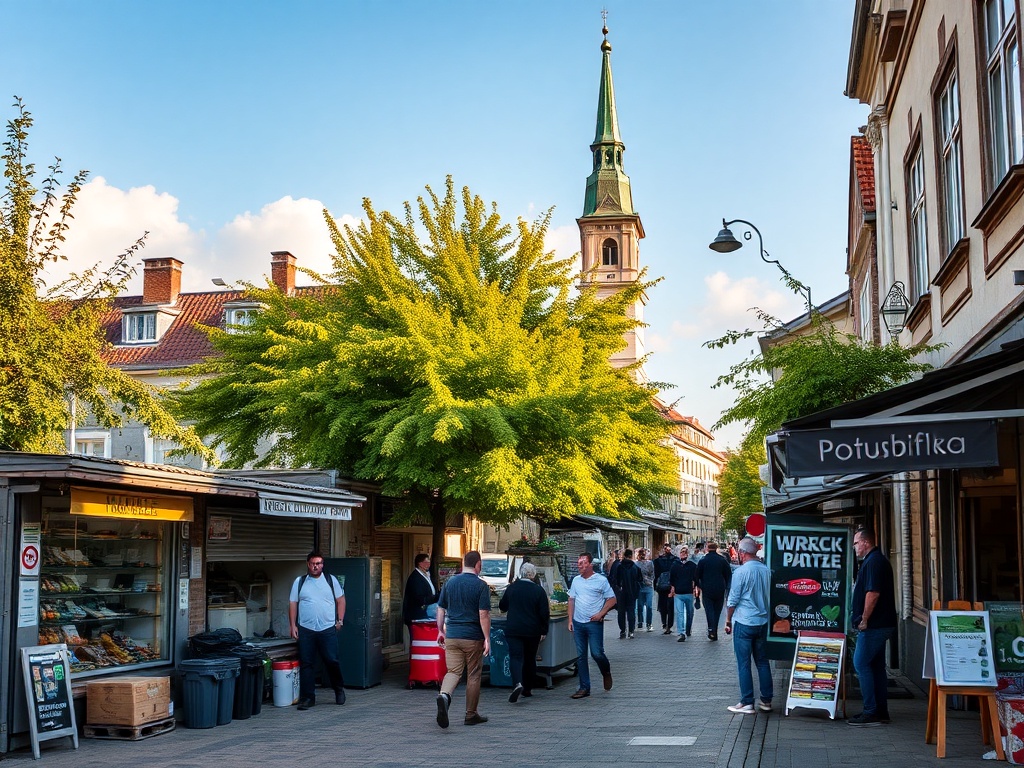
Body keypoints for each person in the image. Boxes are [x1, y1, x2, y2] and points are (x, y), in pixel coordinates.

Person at [435, 550, 491, 728]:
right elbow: (483, 614)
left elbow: (440, 609)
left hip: (452, 635)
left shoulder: (450, 582)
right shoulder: (481, 586)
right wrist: (487, 638)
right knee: (473, 674)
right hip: (472, 637)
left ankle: (444, 696)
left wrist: (440, 631)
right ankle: (471, 714)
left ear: (463, 563)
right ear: (478, 564)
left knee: (453, 672)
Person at [848, 527, 897, 727]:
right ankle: (881, 710)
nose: (854, 547)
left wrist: (864, 619)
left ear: (866, 542)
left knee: (860, 663)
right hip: (881, 623)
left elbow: (873, 593)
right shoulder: (873, 561)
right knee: (876, 666)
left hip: (874, 625)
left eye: (856, 543)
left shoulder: (874, 562)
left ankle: (870, 711)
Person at [289, 551, 347, 710]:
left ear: (322, 565)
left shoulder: (331, 580)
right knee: (307, 663)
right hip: (306, 628)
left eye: (319, 563)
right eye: (313, 563)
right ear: (308, 564)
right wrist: (293, 625)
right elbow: (293, 603)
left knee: (331, 660)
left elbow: (341, 600)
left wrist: (340, 620)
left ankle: (339, 689)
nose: (316, 566)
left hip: (327, 628)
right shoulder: (300, 582)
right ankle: (308, 698)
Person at [724, 537, 772, 715]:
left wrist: (728, 620)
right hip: (762, 622)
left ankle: (747, 702)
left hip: (744, 622)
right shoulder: (766, 571)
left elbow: (733, 600)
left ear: (743, 553)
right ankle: (766, 700)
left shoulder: (740, 572)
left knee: (744, 663)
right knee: (762, 662)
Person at [498, 561, 550, 702]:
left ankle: (517, 683)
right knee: (530, 658)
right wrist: (544, 630)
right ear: (533, 575)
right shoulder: (539, 591)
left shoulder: (512, 588)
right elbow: (544, 613)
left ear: (521, 574)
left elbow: (503, 606)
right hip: (532, 630)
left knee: (515, 657)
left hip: (514, 629)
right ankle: (527, 688)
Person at [567, 552, 616, 699]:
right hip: (578, 622)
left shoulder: (601, 580)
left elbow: (612, 599)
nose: (580, 566)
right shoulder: (576, 581)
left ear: (590, 564)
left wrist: (601, 613)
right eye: (578, 563)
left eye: (583, 563)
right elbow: (571, 600)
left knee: (597, 653)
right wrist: (570, 620)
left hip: (594, 623)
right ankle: (584, 687)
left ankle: (606, 671)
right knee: (581, 656)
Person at [696, 541, 732, 640]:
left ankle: (711, 629)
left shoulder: (703, 560)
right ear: (716, 548)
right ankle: (714, 630)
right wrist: (727, 586)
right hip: (720, 589)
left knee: (709, 610)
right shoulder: (722, 560)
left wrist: (699, 586)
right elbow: (728, 574)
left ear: (707, 548)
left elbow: (697, 575)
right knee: (717, 611)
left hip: (707, 589)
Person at [668, 544, 697, 642]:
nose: (683, 554)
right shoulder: (675, 565)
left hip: (689, 593)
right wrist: (672, 588)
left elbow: (696, 578)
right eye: (681, 552)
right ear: (679, 553)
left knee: (690, 613)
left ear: (688, 554)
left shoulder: (692, 565)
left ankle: (688, 629)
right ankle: (681, 632)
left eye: (685, 552)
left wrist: (696, 588)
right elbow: (671, 578)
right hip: (678, 593)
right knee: (680, 613)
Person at [402, 552, 437, 629]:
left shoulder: (427, 575)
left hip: (426, 613)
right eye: (426, 562)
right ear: (420, 564)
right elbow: (419, 598)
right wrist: (436, 597)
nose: (429, 564)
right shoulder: (415, 578)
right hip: (417, 615)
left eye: (429, 562)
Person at [613, 548, 642, 638]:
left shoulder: (619, 567)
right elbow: (640, 580)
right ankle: (631, 631)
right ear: (631, 556)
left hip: (621, 593)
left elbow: (616, 580)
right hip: (632, 593)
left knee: (621, 612)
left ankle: (622, 631)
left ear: (624, 555)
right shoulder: (635, 567)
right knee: (631, 612)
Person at [653, 543, 677, 634]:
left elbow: (655, 574)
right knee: (670, 606)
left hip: (661, 586)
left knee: (662, 606)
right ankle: (669, 625)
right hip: (671, 585)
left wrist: (655, 586)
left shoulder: (657, 561)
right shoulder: (675, 560)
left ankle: (664, 623)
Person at [635, 548, 655, 632]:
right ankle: (640, 622)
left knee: (649, 606)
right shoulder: (636, 564)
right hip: (640, 587)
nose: (642, 556)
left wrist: (649, 581)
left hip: (648, 587)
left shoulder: (650, 563)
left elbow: (652, 574)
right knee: (640, 606)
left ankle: (649, 623)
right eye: (641, 554)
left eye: (644, 554)